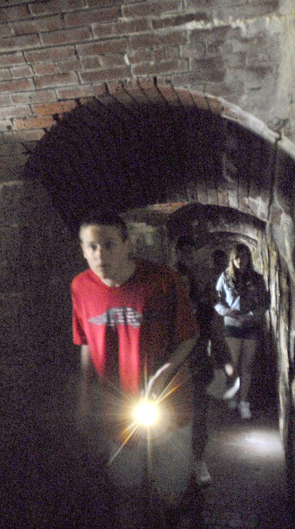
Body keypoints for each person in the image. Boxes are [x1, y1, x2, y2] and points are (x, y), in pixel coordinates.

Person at [72, 211, 200, 528]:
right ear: (83, 249)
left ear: (128, 244)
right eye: (92, 246)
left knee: (171, 494)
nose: (100, 254)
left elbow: (190, 336)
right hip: (118, 408)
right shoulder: (80, 287)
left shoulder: (162, 280)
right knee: (125, 492)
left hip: (167, 404)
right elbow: (87, 343)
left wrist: (162, 376)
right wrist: (85, 397)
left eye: (109, 244)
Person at [173, 238, 232, 486]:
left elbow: (216, 335)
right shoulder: (168, 308)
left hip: (196, 368)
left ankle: (198, 461)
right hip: (172, 373)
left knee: (197, 417)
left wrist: (227, 363)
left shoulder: (204, 309)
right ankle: (175, 462)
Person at [214, 244, 268, 420]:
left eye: (244, 257)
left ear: (249, 258)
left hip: (251, 325)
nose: (240, 261)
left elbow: (265, 302)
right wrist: (226, 311)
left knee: (247, 366)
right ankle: (233, 398)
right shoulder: (225, 277)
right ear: (232, 259)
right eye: (237, 257)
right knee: (233, 365)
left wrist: (251, 315)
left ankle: (244, 402)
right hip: (232, 325)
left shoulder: (257, 279)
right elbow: (216, 300)